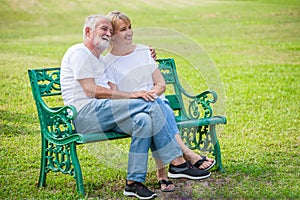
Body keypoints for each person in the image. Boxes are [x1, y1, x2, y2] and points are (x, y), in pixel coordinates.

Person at [60, 14, 210, 199]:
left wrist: (143, 55)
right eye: (103, 29)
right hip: (85, 116)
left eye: (109, 30)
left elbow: (114, 89)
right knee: (151, 101)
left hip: (106, 113)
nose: (107, 33)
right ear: (88, 31)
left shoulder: (99, 60)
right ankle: (178, 161)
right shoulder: (78, 52)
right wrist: (133, 95)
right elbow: (90, 90)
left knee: (144, 121)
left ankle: (133, 183)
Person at [102, 11, 216, 192]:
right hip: (132, 110)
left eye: (130, 27)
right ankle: (184, 157)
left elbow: (160, 84)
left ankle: (168, 171)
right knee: (154, 112)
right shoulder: (108, 62)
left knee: (157, 110)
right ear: (112, 35)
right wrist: (140, 96)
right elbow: (115, 94)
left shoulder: (143, 51)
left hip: (155, 102)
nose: (129, 32)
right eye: (123, 29)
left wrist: (152, 93)